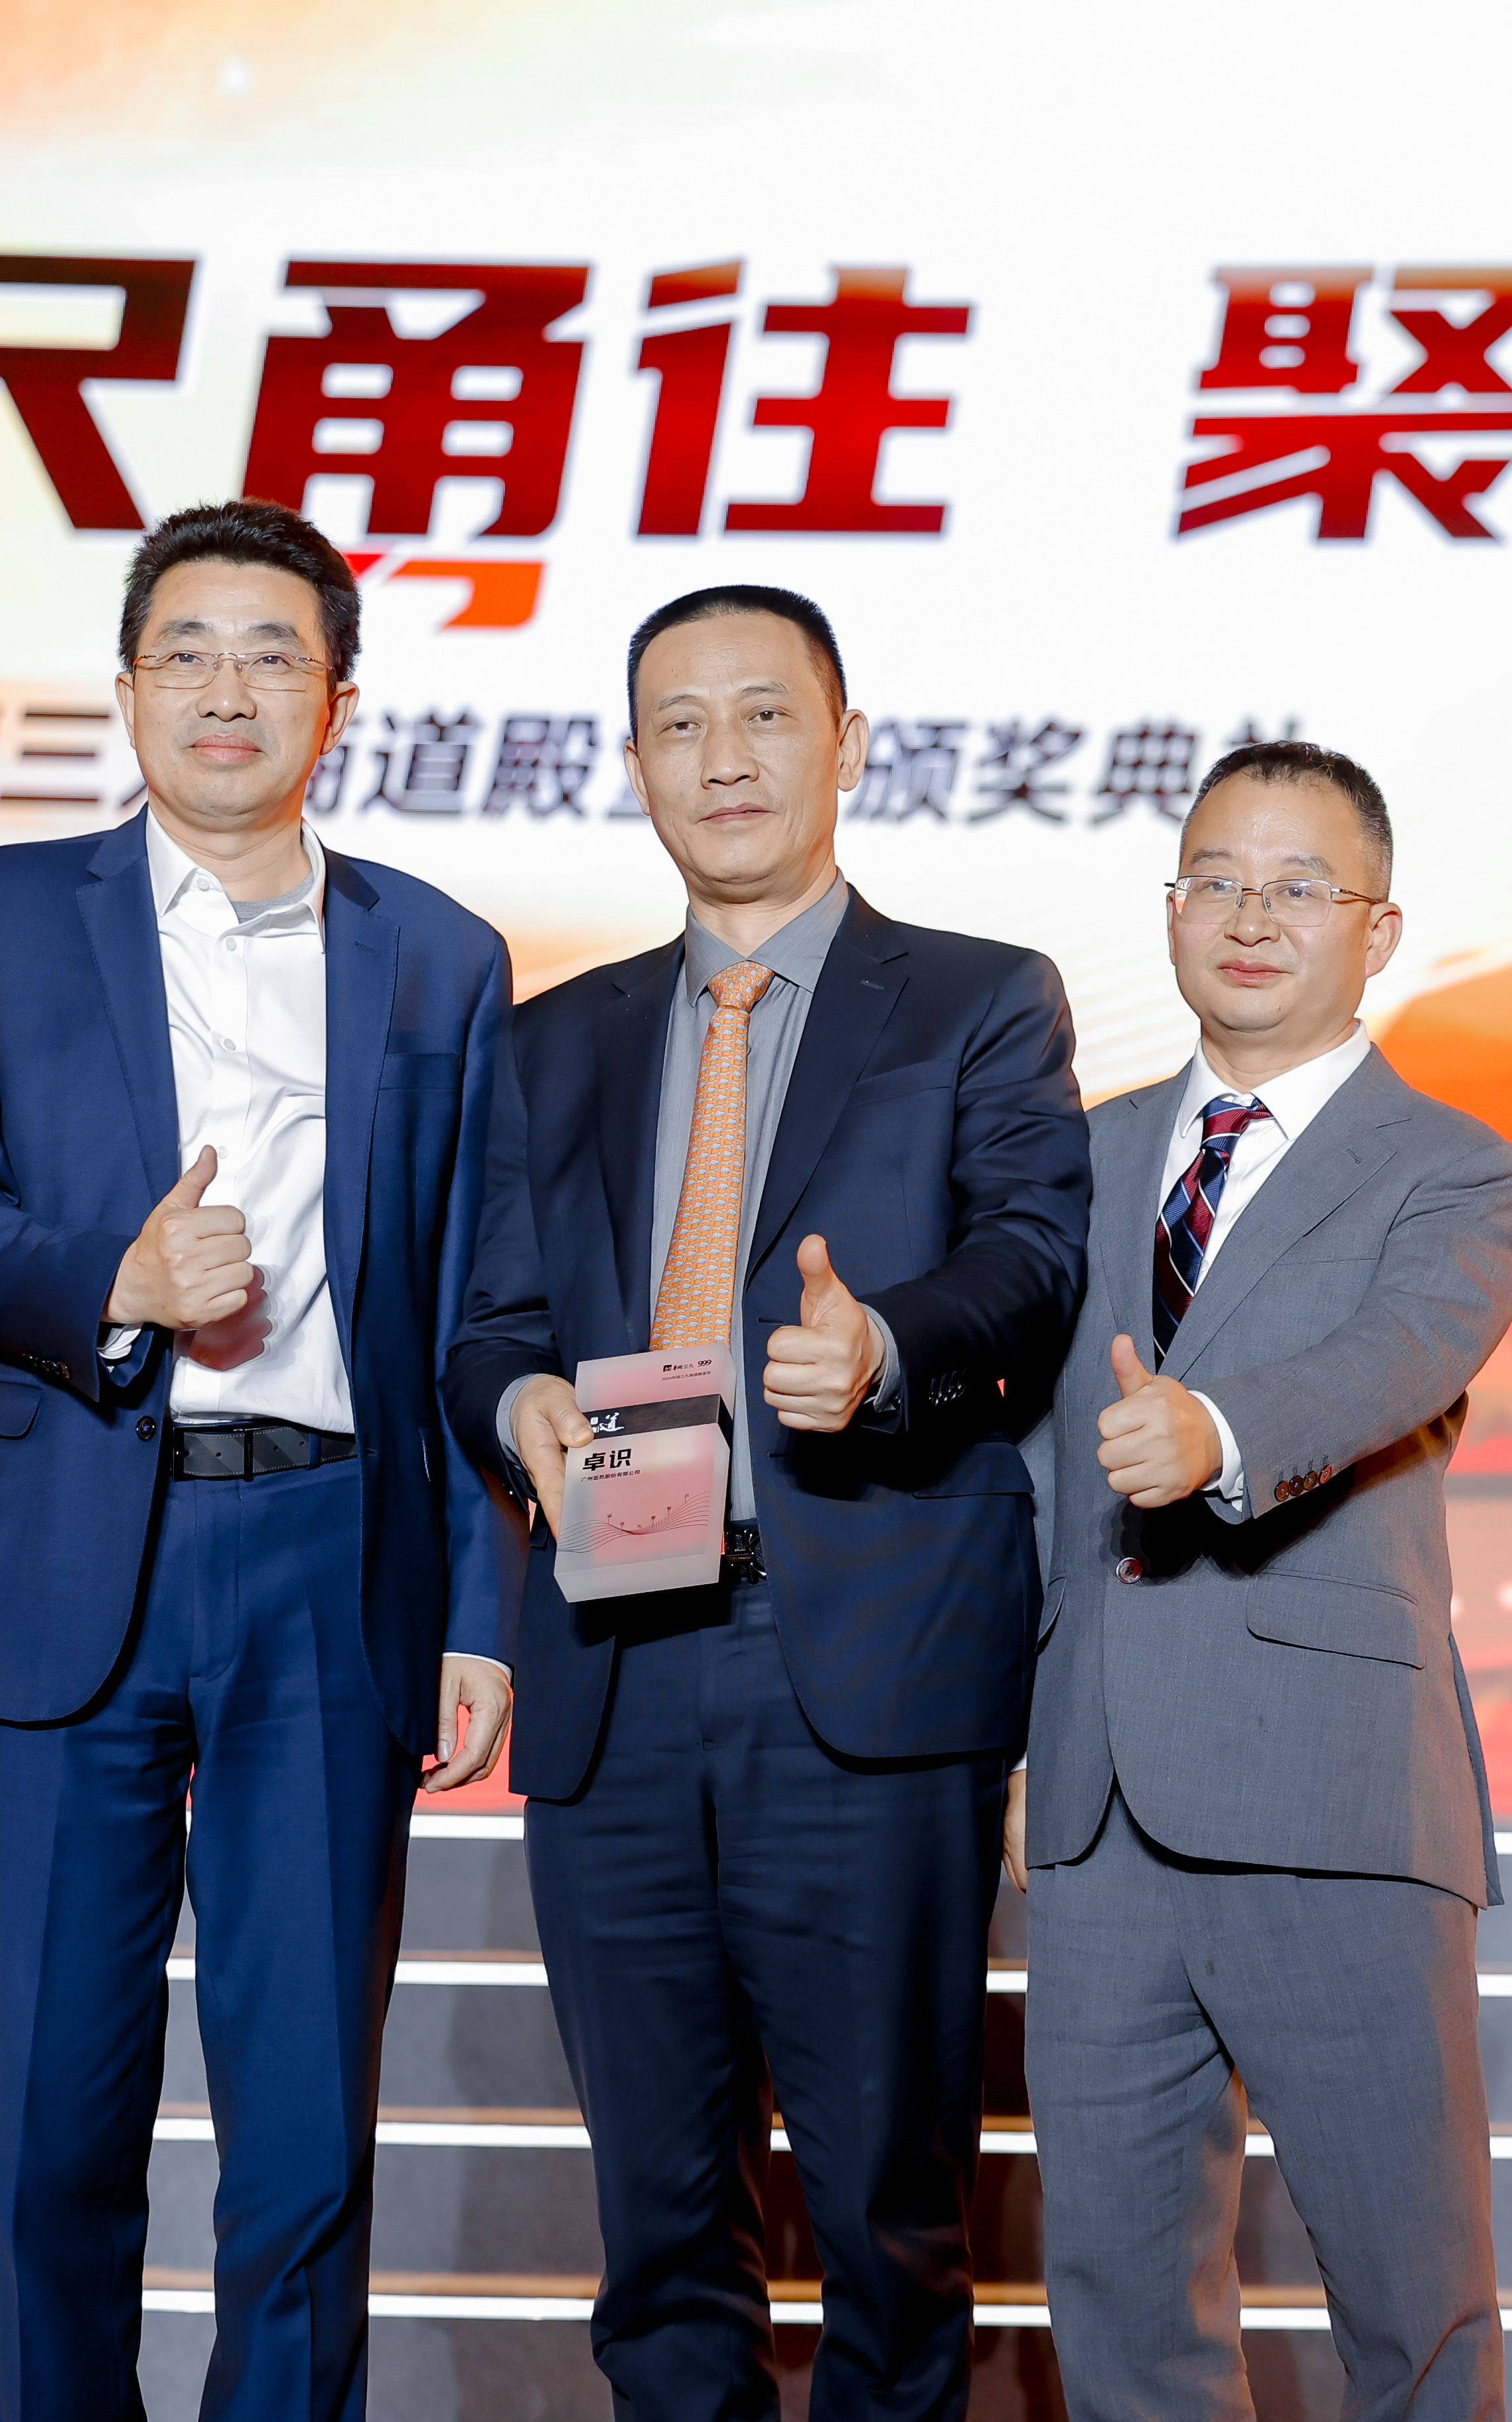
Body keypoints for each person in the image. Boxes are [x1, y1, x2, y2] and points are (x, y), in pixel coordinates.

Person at [0, 497, 514, 2422]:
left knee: (306, 2139)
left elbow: (478, 1307)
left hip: (328, 1560)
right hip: (75, 1540)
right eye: (189, 653)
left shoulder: (440, 957)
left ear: (340, 704)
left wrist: (483, 1612)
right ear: (130, 686)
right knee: (53, 2134)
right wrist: (119, 1280)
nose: (227, 691)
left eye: (272, 657)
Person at [442, 584, 1091, 2419]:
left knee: (891, 2218)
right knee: (658, 2231)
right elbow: (488, 1323)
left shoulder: (977, 998)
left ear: (849, 745)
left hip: (864, 1666)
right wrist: (518, 1400)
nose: (721, 757)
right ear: (631, 762)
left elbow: (1034, 1254)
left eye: (766, 715)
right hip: (616, 1658)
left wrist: (887, 1346)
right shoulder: (553, 1041)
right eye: (679, 723)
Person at [1015, 741, 1512, 2422]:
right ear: (1171, 910)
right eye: (1218, 882)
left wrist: (1218, 1432)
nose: (1251, 918)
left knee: (1412, 2306)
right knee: (1122, 2315)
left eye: (1299, 888)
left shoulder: (1455, 1171)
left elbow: (1398, 1357)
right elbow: (1018, 1463)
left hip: (1338, 1797)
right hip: (1097, 1805)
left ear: (1378, 930)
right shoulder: (1069, 1161)